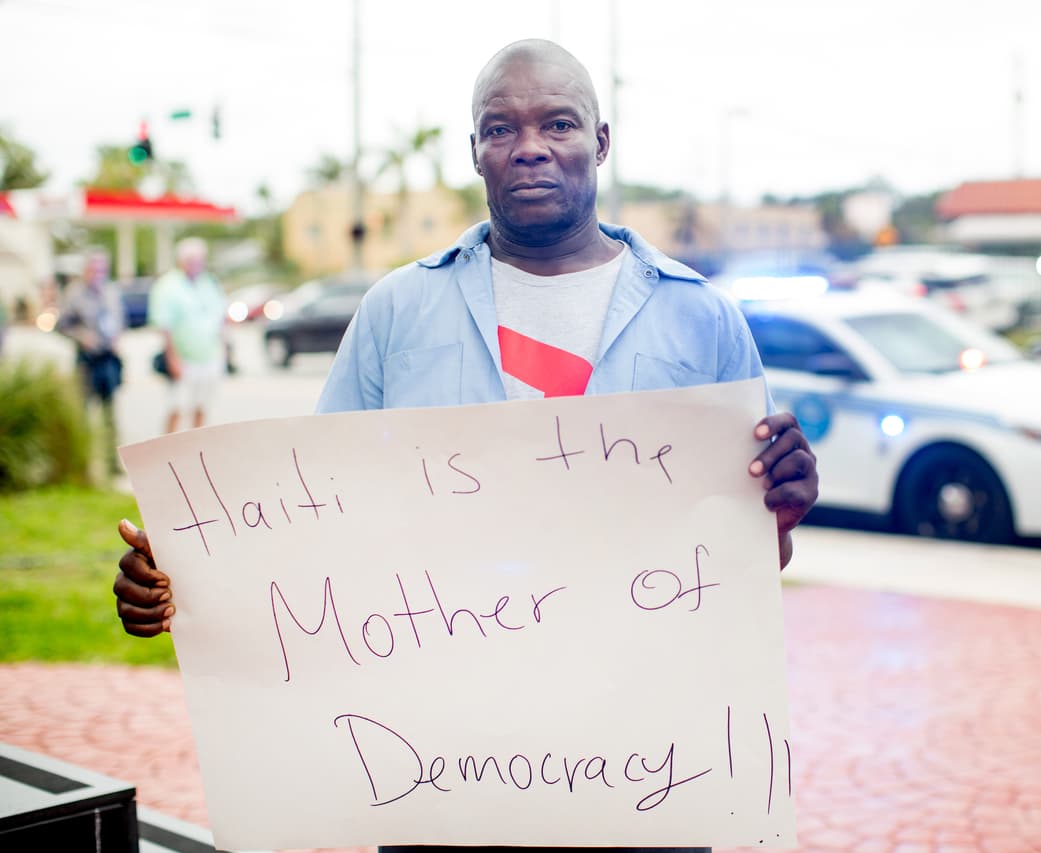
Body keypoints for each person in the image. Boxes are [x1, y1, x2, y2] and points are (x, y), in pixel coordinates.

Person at [113, 39, 819, 853]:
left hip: (645, 770)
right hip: (445, 772)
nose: (529, 146)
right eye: (500, 127)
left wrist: (781, 509)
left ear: (601, 141)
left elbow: (750, 561)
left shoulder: (703, 319)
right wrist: (181, 583)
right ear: (474, 150)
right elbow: (307, 528)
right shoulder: (396, 313)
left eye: (558, 122)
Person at [147, 236, 226, 432]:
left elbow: (220, 317)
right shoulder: (168, 285)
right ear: (181, 261)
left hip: (209, 355)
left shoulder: (208, 282)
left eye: (199, 260)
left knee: (201, 406)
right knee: (177, 407)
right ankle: (168, 456)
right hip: (183, 358)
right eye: (191, 260)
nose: (196, 264)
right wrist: (172, 357)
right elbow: (164, 325)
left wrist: (223, 349)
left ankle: (196, 455)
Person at [56, 248, 126, 471]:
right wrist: (82, 336)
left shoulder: (111, 291)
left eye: (102, 269)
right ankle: (84, 465)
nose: (98, 273)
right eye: (94, 268)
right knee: (85, 413)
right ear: (86, 270)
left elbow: (119, 319)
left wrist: (116, 336)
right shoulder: (74, 293)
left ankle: (112, 463)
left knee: (111, 415)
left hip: (109, 358)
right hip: (88, 360)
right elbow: (62, 325)